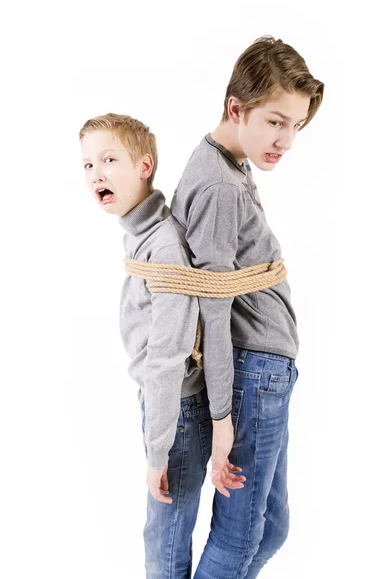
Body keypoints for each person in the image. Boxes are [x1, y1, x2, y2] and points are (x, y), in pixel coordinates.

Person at [169, 35, 324, 577]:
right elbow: (213, 308)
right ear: (236, 107)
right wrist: (222, 418)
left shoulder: (229, 165)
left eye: (296, 126)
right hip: (253, 375)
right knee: (238, 539)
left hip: (268, 368)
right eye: (275, 121)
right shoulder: (219, 185)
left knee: (272, 527)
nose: (285, 140)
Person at [79, 113, 245, 577]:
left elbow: (168, 358)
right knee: (165, 535)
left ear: (144, 165)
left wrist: (157, 454)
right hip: (169, 408)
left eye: (109, 159)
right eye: (88, 164)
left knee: (165, 540)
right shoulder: (142, 235)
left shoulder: (163, 247)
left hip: (178, 412)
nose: (96, 173)